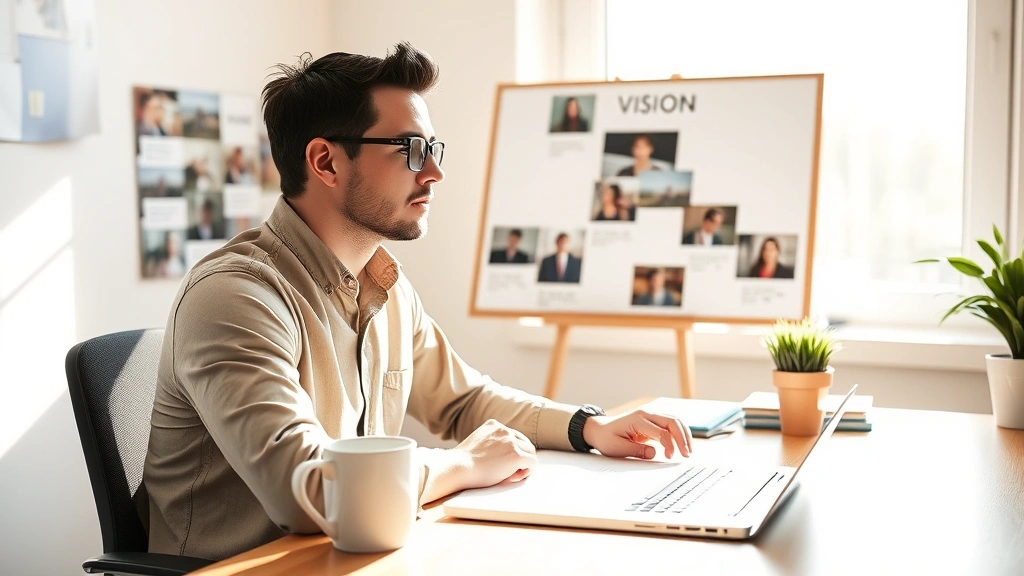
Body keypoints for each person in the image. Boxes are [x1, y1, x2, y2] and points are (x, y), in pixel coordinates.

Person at [141, 44, 692, 562]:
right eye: (411, 150)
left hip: (357, 558)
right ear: (327, 163)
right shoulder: (235, 295)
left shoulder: (386, 286)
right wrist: (464, 464)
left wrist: (587, 428)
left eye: (433, 149)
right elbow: (307, 488)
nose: (434, 172)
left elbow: (463, 401)